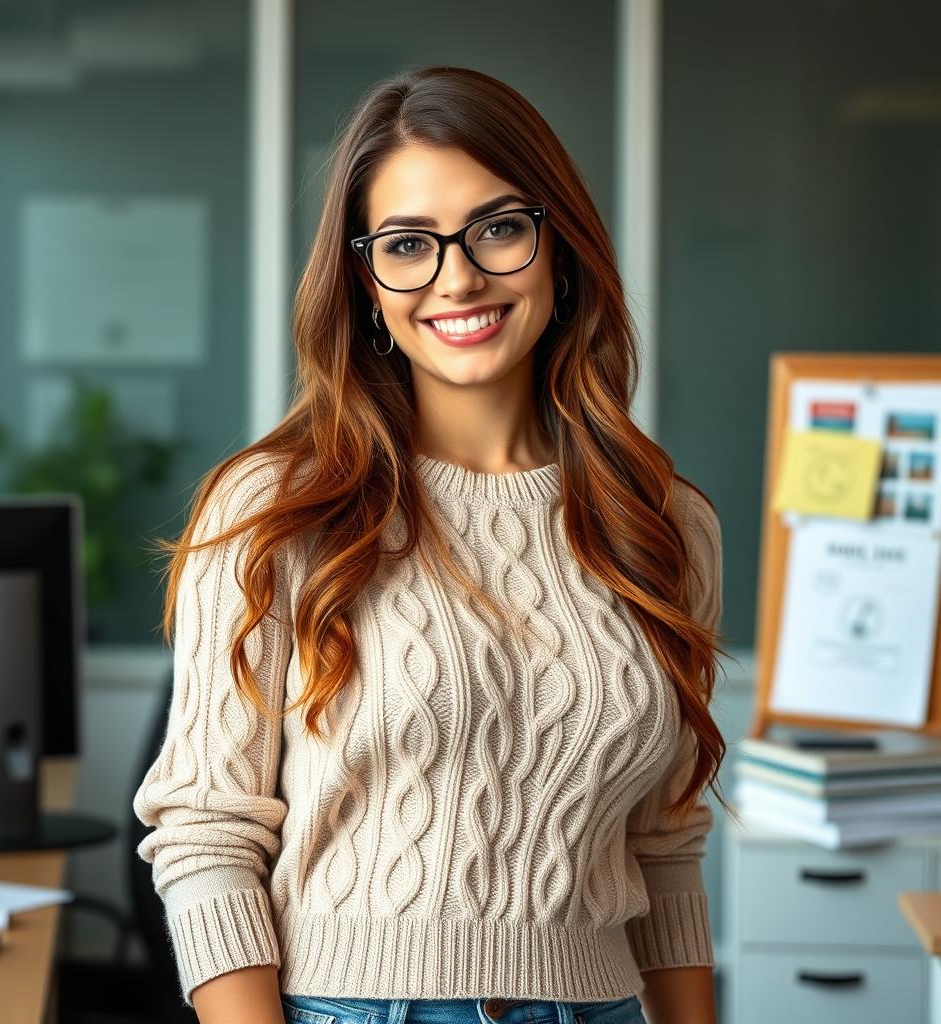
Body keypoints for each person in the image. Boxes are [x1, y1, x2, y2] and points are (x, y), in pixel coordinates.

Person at [132, 65, 732, 1024]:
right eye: (409, 244)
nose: (458, 277)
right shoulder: (277, 510)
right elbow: (205, 833)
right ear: (367, 280)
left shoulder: (664, 525)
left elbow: (665, 846)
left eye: (498, 227)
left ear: (560, 249)